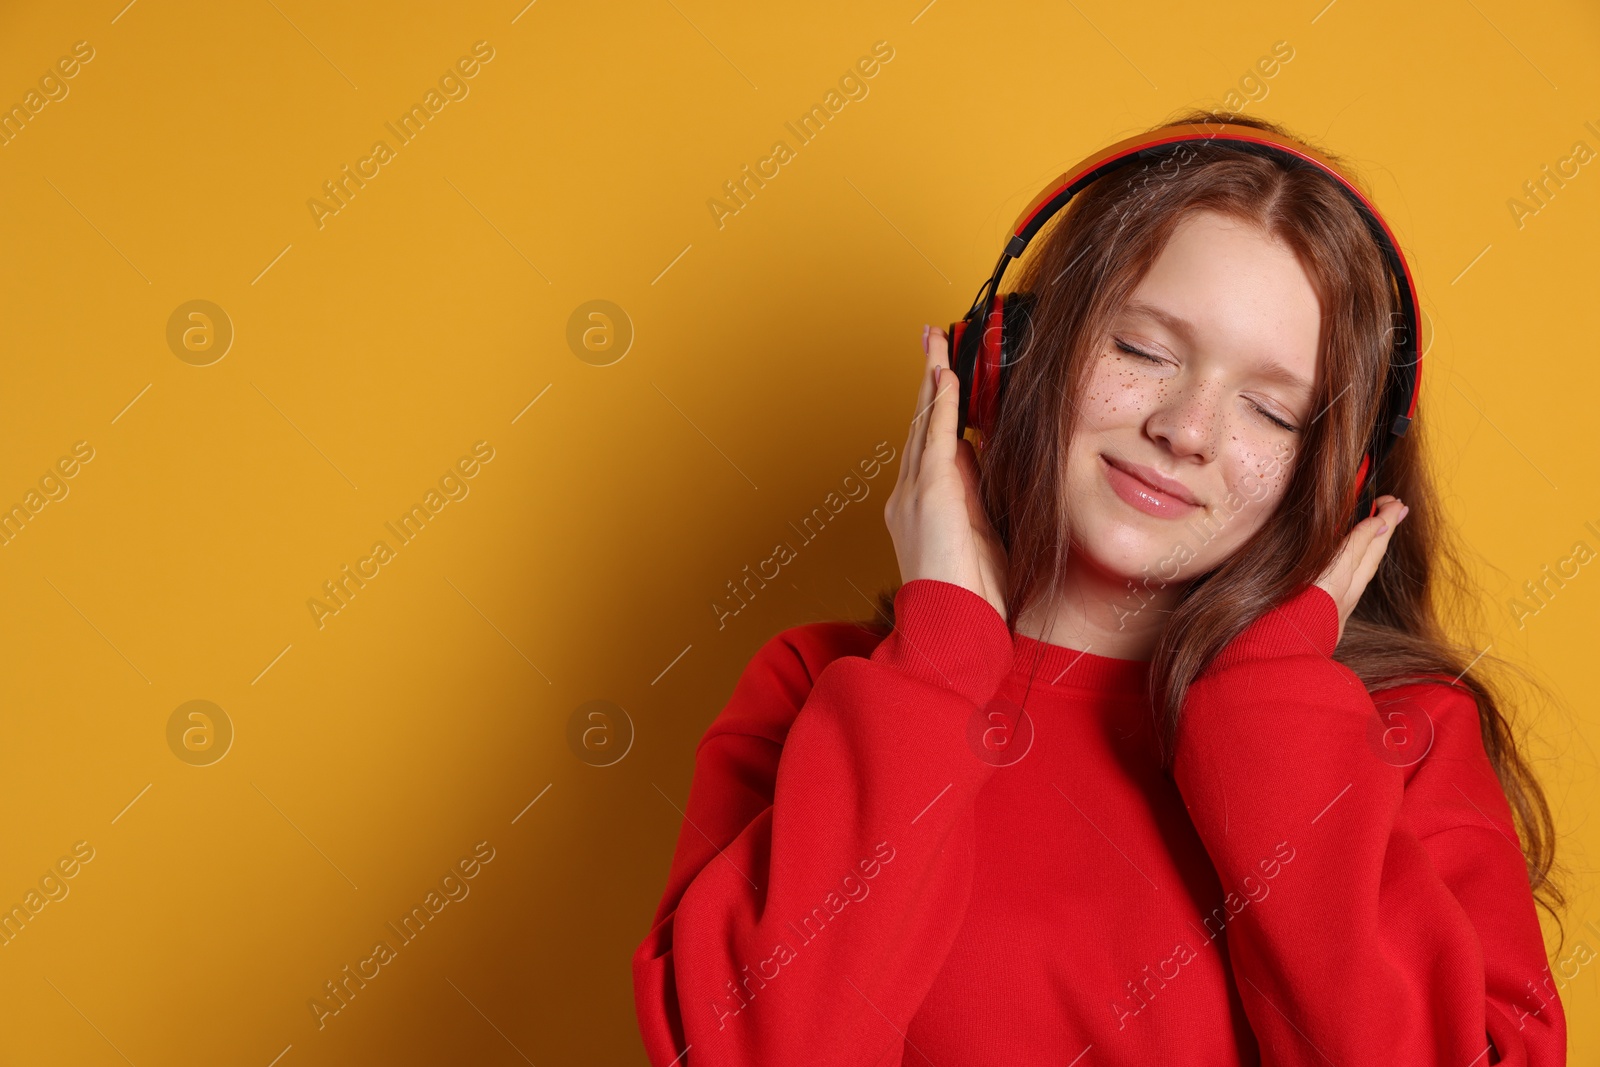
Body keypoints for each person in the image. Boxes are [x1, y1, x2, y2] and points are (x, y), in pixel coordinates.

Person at [631, 110, 1566, 1066]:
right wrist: (940, 659)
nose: (1187, 428)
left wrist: (1272, 710)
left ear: (1337, 482)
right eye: (1144, 351)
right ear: (1008, 356)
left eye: (1270, 409)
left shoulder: (1407, 732)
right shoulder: (816, 686)